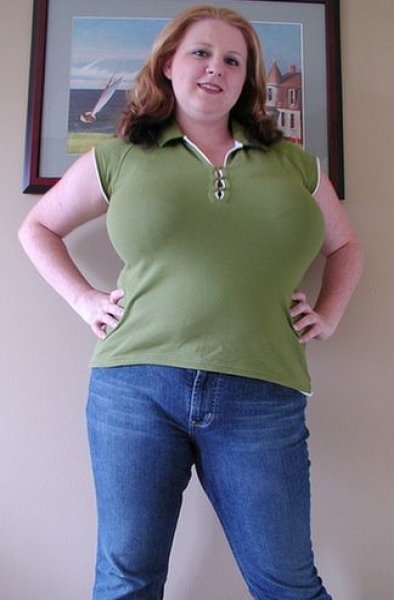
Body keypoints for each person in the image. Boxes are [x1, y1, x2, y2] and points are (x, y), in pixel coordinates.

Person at [18, 4, 363, 599]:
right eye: (201, 53)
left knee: (289, 583)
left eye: (233, 60)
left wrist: (328, 313)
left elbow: (347, 245)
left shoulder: (294, 165)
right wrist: (84, 300)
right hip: (136, 387)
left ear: (246, 78)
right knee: (127, 580)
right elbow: (38, 228)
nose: (215, 68)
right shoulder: (121, 155)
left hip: (262, 389)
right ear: (168, 64)